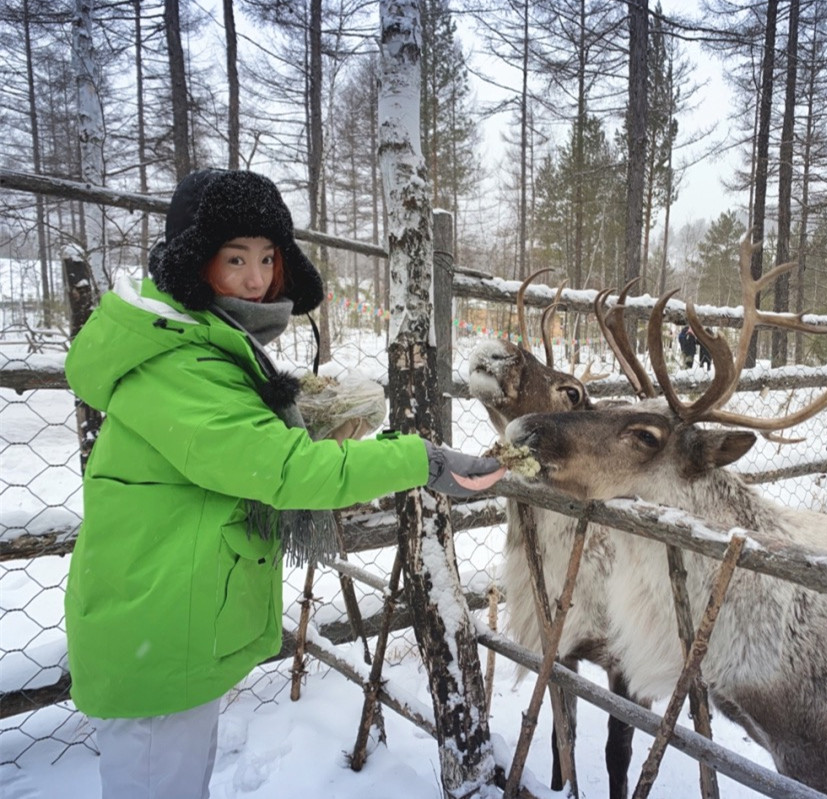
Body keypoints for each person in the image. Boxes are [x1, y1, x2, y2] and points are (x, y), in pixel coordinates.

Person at [63, 169, 505, 799]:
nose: (256, 278)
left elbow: (240, 451)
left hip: (160, 615)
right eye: (235, 257)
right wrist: (423, 461)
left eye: (268, 258)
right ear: (192, 261)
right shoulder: (181, 364)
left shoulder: (196, 342)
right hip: (158, 627)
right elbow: (285, 470)